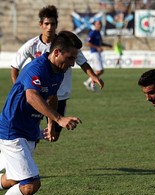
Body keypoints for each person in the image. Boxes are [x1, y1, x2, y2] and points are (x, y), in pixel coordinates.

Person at [0, 31, 82, 195]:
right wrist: (59, 118)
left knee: (13, 177)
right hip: (13, 129)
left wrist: (51, 124)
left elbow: (51, 96)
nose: (73, 63)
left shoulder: (58, 70)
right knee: (30, 184)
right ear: (56, 52)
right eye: (70, 58)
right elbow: (32, 97)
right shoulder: (38, 68)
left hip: (29, 130)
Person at [11, 5, 104, 141]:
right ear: (41, 25)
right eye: (46, 24)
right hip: (39, 93)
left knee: (54, 136)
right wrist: (20, 88)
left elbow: (82, 62)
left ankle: (37, 136)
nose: (49, 27)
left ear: (56, 24)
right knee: (29, 130)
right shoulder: (32, 45)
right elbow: (15, 66)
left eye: (52, 24)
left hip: (60, 94)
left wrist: (93, 76)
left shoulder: (65, 44)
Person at [83, 20, 112, 92]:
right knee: (99, 71)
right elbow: (88, 43)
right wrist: (97, 47)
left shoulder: (98, 33)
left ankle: (90, 83)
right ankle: (88, 82)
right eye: (99, 24)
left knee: (100, 71)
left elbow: (100, 43)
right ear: (95, 25)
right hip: (94, 53)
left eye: (101, 24)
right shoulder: (93, 32)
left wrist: (108, 45)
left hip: (97, 53)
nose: (100, 25)